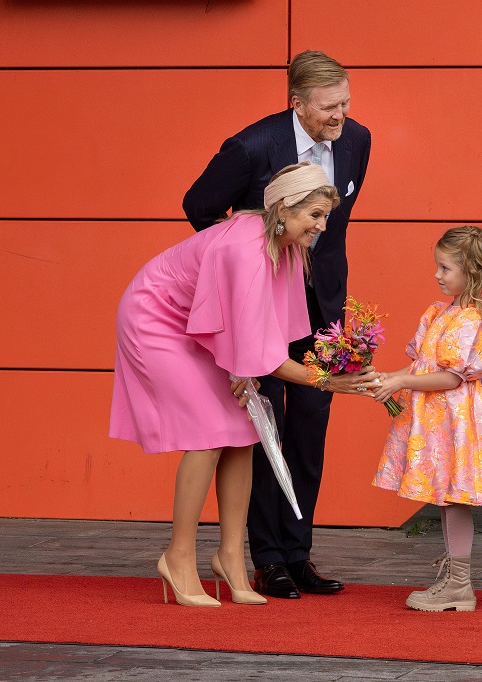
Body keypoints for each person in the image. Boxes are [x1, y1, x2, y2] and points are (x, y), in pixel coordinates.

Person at [110, 163, 374, 607]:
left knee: (243, 431)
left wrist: (250, 366)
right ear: (284, 209)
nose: (322, 226)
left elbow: (266, 334)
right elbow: (266, 356)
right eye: (315, 215)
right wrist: (329, 382)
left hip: (196, 322)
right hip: (156, 321)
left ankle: (230, 558)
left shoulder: (286, 244)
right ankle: (177, 558)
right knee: (208, 435)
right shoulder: (247, 250)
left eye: (325, 216)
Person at [182, 51, 372, 598]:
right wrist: (246, 249)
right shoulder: (251, 146)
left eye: (346, 103)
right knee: (266, 426)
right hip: (260, 304)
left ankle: (299, 551)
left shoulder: (358, 140)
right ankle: (267, 559)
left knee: (310, 427)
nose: (341, 116)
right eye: (329, 106)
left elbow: (332, 225)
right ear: (297, 103)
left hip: (321, 306)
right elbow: (198, 206)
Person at [370, 226, 482, 612]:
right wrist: (387, 377)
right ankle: (455, 582)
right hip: (438, 417)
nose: (437, 275)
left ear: (471, 270)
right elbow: (424, 364)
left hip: (460, 420)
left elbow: (454, 376)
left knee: (454, 497)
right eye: (438, 267)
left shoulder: (476, 319)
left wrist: (401, 382)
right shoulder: (438, 313)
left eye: (445, 268)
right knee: (446, 497)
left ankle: (460, 584)